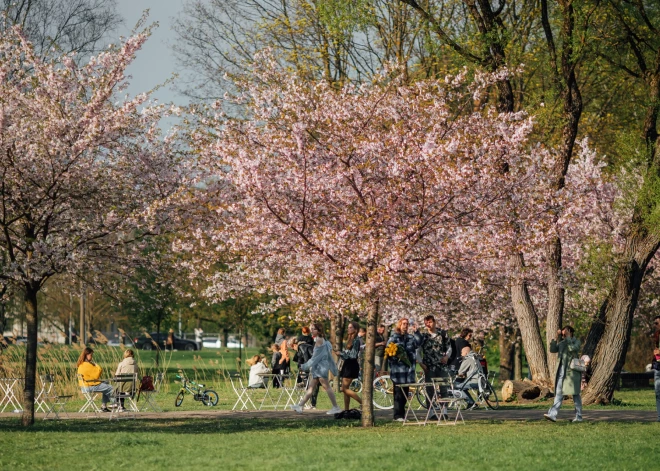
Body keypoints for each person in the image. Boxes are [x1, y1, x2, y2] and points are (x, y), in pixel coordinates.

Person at [290, 323, 342, 415]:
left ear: (319, 330)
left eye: (314, 329)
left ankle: (336, 407)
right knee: (310, 387)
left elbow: (315, 358)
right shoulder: (321, 340)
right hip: (318, 367)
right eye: (311, 329)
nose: (312, 331)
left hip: (321, 367)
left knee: (326, 387)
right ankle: (300, 405)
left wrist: (304, 366)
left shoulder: (319, 340)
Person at [544, 326, 583, 423]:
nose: (564, 335)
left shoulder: (576, 342)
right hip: (561, 373)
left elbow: (572, 349)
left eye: (566, 333)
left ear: (571, 332)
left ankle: (579, 417)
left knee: (576, 395)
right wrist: (556, 337)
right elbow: (552, 349)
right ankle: (553, 415)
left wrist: (568, 338)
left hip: (572, 374)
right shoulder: (562, 343)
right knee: (558, 393)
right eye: (563, 333)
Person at [417, 315, 452, 420]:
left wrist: (447, 356)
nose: (428, 324)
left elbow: (449, 347)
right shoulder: (423, 336)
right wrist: (420, 363)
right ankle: (431, 412)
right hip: (428, 366)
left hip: (441, 365)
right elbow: (417, 351)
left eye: (430, 322)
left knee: (443, 388)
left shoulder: (442, 333)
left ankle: (444, 411)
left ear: (435, 322)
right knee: (430, 389)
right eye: (426, 323)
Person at [387, 318, 422, 421]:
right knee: (398, 393)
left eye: (407, 324)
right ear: (399, 325)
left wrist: (417, 332)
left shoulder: (411, 338)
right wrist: (395, 359)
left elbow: (418, 343)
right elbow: (389, 351)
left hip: (408, 371)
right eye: (404, 324)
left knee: (406, 393)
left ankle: (402, 414)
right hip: (398, 371)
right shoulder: (394, 337)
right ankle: (397, 415)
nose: (405, 326)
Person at [77, 347, 114, 412]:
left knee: (105, 384)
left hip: (84, 387)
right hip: (90, 386)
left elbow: (90, 377)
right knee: (111, 388)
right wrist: (96, 365)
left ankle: (104, 406)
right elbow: (97, 375)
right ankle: (115, 404)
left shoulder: (81, 364)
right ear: (87, 355)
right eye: (91, 355)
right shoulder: (87, 365)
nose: (92, 357)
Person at [338, 321, 362, 416]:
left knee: (344, 388)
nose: (348, 329)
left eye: (351, 327)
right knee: (345, 389)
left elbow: (352, 355)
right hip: (347, 364)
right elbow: (347, 353)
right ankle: (346, 409)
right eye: (348, 327)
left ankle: (363, 403)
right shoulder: (350, 339)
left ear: (355, 329)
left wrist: (340, 353)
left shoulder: (356, 340)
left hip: (351, 364)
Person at [294, 326, 318, 409]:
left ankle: (301, 383)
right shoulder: (311, 340)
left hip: (303, 363)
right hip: (312, 363)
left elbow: (301, 355)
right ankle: (312, 403)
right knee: (312, 384)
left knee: (308, 383)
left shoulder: (300, 341)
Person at [653, 315, 660, 422]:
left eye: (657, 323)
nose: (656, 325)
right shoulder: (656, 336)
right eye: (655, 323)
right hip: (658, 367)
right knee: (658, 392)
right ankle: (659, 417)